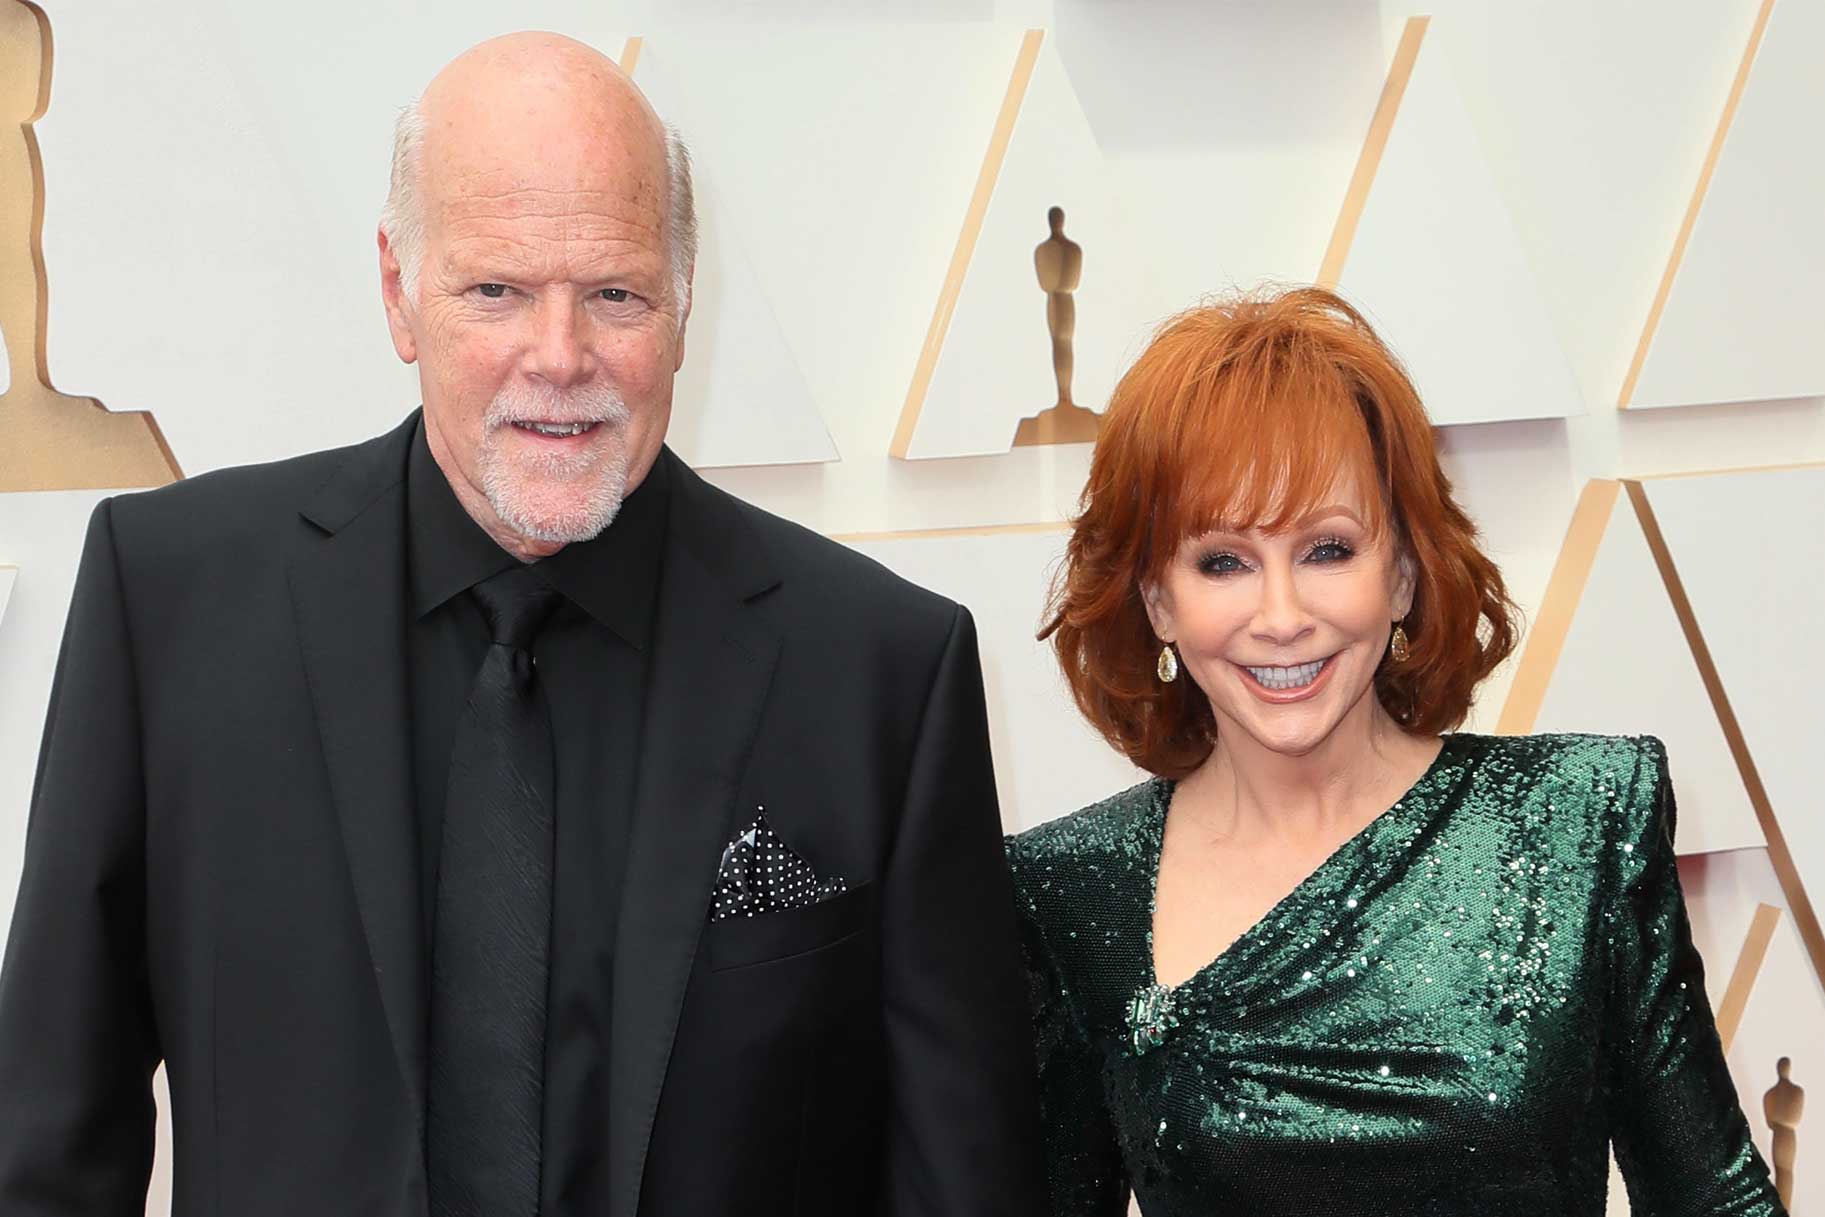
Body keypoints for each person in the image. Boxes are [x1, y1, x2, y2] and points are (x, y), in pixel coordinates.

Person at [0, 32, 1042, 1217]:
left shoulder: (882, 668)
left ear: (685, 300)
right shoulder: (170, 601)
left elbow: (967, 1180)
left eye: (615, 293)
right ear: (399, 292)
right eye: (495, 289)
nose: (560, 357)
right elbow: (47, 1142)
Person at [1007, 285, 1786, 1215]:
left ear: (1405, 575)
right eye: (1223, 560)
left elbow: (1713, 1198)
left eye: (1328, 549)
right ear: (1157, 599)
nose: (1282, 616)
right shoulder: (1068, 889)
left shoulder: (1576, 823)